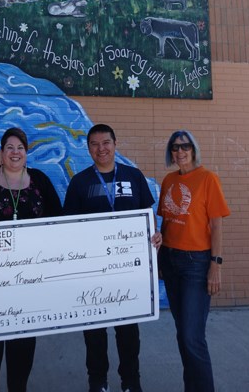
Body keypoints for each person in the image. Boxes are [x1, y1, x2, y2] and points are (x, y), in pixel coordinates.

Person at [62, 124, 162, 392]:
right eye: (94, 144)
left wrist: (155, 234)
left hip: (128, 272)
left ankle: (131, 381)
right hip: (92, 272)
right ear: (88, 149)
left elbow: (147, 214)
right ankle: (98, 382)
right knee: (94, 332)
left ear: (115, 144)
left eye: (105, 142)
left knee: (128, 332)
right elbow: (68, 226)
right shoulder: (80, 182)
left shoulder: (133, 176)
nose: (101, 149)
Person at [0, 127, 63, 392]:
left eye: (20, 148)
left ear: (27, 152)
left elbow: (59, 221)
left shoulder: (40, 180)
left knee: (22, 342)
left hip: (28, 279)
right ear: (1, 153)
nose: (15, 153)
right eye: (9, 148)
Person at [156, 130, 231, 392]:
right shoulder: (167, 180)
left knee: (192, 336)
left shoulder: (208, 179)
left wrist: (215, 264)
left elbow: (217, 226)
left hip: (196, 264)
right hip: (171, 260)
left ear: (194, 149)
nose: (180, 151)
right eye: (175, 147)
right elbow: (165, 222)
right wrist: (159, 259)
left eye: (185, 146)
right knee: (183, 333)